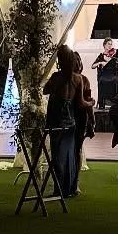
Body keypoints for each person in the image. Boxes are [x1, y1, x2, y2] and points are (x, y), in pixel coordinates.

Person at [44, 45, 87, 199]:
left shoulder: (56, 77)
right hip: (70, 121)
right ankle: (69, 187)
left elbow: (45, 90)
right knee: (70, 155)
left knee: (57, 156)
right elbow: (81, 102)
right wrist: (91, 103)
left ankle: (59, 188)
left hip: (56, 120)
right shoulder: (78, 78)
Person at [92, 38, 118, 106]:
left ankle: (115, 102)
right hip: (104, 75)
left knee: (116, 79)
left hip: (113, 74)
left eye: (111, 44)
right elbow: (93, 66)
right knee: (104, 80)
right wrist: (100, 62)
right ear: (104, 45)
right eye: (108, 44)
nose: (110, 46)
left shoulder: (114, 56)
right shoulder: (101, 56)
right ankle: (102, 103)